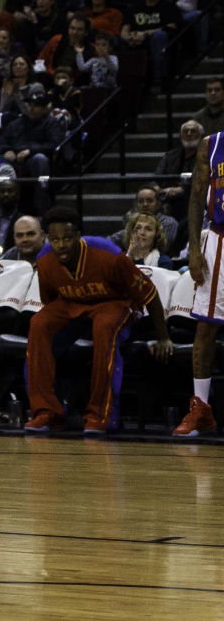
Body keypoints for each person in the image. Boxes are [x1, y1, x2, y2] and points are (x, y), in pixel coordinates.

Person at [25, 207, 173, 435]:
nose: (61, 245)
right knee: (39, 323)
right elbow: (50, 301)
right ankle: (47, 411)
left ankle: (101, 414)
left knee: (104, 328)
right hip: (72, 302)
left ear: (78, 236)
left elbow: (150, 294)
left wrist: (163, 337)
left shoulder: (108, 255)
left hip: (115, 302)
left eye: (67, 238)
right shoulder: (45, 260)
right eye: (55, 239)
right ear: (47, 238)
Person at [173, 120, 224, 437]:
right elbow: (195, 198)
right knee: (206, 325)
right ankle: (201, 408)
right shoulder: (212, 144)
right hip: (219, 239)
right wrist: (194, 247)